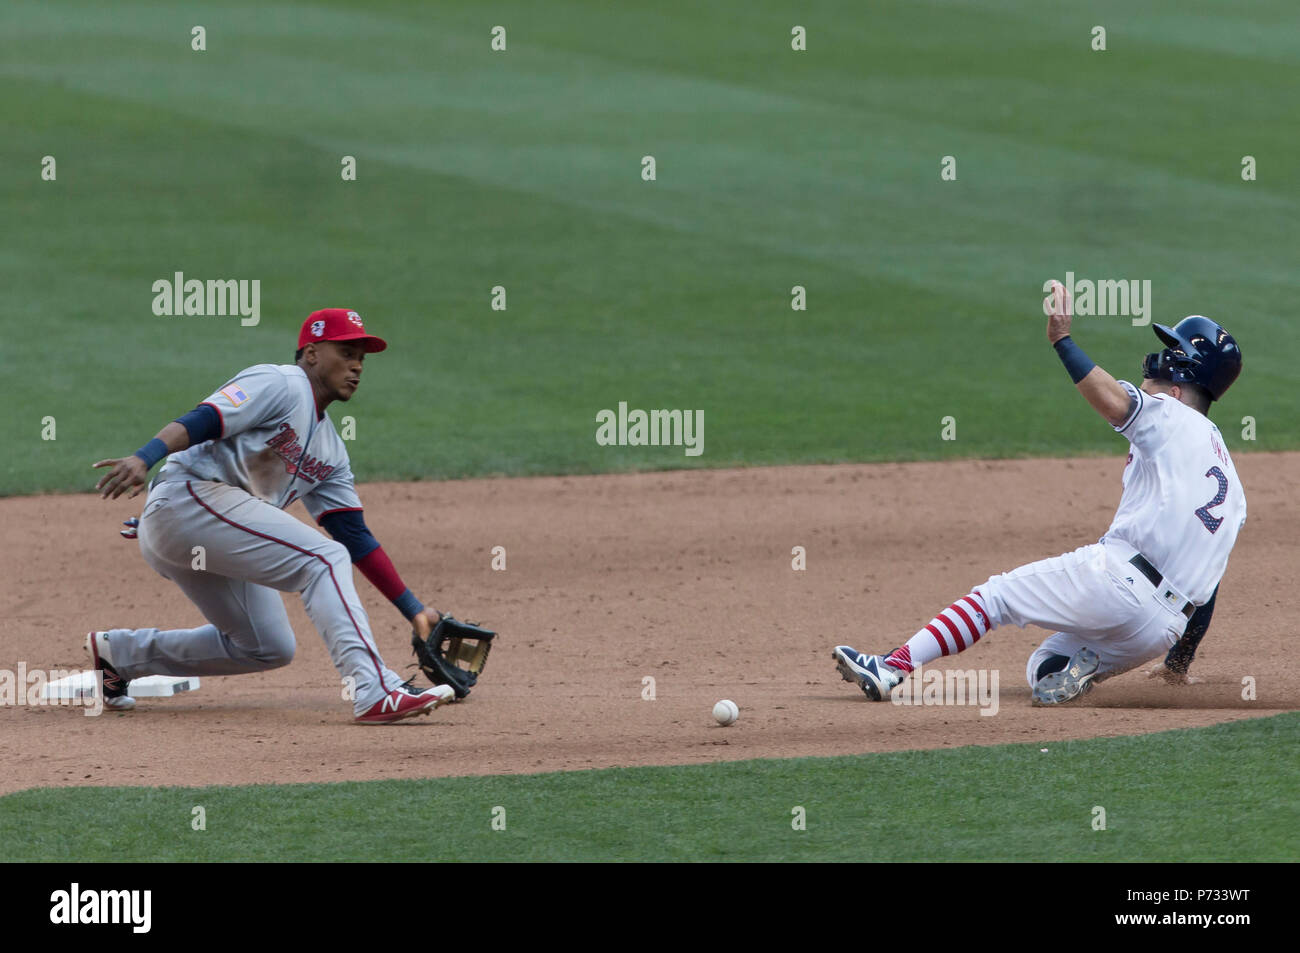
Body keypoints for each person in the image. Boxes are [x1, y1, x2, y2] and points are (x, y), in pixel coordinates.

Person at [834, 281, 1246, 705]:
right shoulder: (1230, 482)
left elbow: (1113, 402)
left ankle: (890, 667)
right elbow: (1209, 588)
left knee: (993, 597)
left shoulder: (1171, 413)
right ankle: (1077, 672)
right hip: (1162, 628)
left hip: (1118, 582)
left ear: (1178, 388)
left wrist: (1062, 341)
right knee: (1043, 667)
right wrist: (1178, 665)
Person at [89, 309, 454, 723]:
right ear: (312, 354)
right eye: (346, 353)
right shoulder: (281, 383)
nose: (356, 366)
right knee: (323, 559)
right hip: (187, 501)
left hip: (200, 526)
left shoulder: (331, 451)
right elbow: (207, 417)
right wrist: (145, 456)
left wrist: (414, 609)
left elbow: (355, 536)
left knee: (267, 646)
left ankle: (120, 657)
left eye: (362, 359)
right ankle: (374, 690)